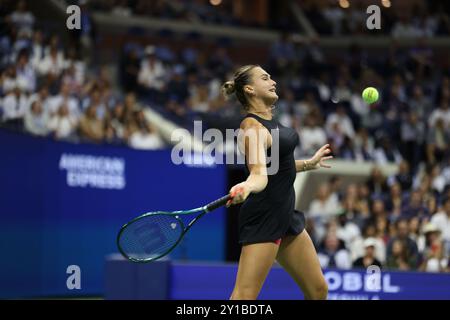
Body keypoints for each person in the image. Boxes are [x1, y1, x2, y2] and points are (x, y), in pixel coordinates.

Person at [223, 65, 333, 300]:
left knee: (318, 290)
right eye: (265, 78)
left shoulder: (270, 122)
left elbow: (277, 167)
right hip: (265, 216)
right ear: (250, 89)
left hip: (286, 216)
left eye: (271, 77)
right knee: (244, 296)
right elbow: (259, 175)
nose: (272, 81)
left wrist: (308, 164)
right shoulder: (251, 127)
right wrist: (247, 187)